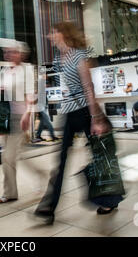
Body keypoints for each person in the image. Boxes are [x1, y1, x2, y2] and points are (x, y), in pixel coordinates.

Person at [33, 21, 113, 225]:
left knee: (98, 156)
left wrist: (95, 118)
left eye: (52, 31)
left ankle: (108, 200)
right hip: (69, 113)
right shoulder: (59, 58)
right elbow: (65, 88)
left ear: (63, 34)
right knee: (60, 161)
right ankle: (48, 207)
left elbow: (88, 87)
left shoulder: (78, 55)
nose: (49, 36)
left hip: (85, 112)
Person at [0, 42, 45, 204]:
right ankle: (40, 173)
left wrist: (28, 114)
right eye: (6, 52)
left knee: (8, 157)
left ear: (20, 54)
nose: (8, 55)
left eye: (11, 52)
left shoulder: (27, 70)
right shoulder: (5, 71)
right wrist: (0, 89)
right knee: (18, 155)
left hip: (20, 117)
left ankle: (9, 193)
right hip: (5, 118)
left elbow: (32, 95)